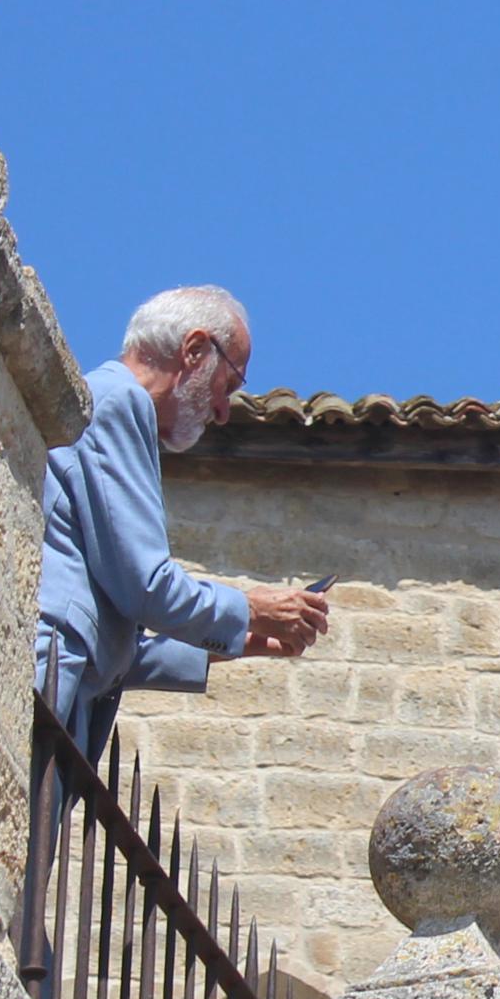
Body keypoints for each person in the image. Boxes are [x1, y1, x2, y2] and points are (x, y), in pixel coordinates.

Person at [34, 287, 330, 755]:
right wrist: (252, 609)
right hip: (45, 700)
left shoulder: (108, 405)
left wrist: (245, 639)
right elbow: (148, 587)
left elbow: (112, 651)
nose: (223, 412)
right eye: (228, 385)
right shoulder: (120, 402)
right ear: (194, 350)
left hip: (58, 705)